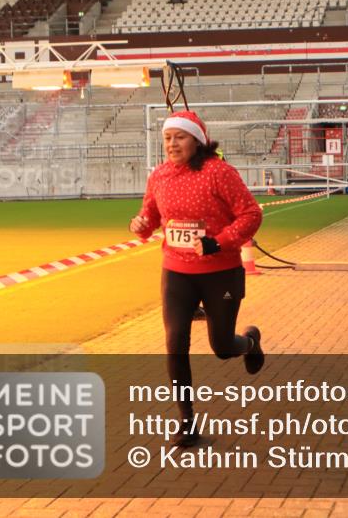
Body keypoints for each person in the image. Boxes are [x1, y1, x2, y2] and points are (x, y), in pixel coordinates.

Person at [130, 110, 264, 448]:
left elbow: (251, 214)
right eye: (168, 138)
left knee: (221, 347)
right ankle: (186, 421)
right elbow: (151, 213)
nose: (173, 144)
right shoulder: (159, 176)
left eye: (180, 137)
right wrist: (141, 224)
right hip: (176, 272)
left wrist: (219, 242)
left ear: (198, 140)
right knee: (175, 344)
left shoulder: (219, 173)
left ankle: (249, 342)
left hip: (220, 272)